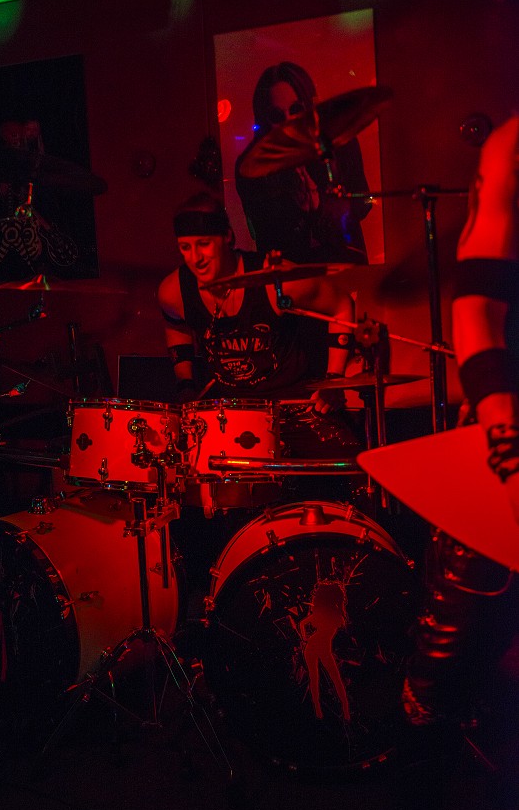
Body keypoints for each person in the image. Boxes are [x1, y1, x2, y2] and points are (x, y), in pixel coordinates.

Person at [401, 115, 519, 729]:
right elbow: (476, 309)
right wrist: (506, 441)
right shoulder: (512, 146)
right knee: (441, 682)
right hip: (509, 432)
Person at [157, 191, 356, 411]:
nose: (195, 258)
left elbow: (341, 306)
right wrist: (185, 383)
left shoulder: (275, 281)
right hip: (229, 412)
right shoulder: (173, 291)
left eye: (204, 244)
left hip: (291, 406)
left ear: (227, 236)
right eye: (185, 247)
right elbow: (175, 325)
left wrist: (334, 380)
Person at [235, 61, 372, 264]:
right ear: (264, 118)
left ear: (310, 105)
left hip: (345, 264)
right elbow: (264, 235)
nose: (289, 121)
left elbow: (364, 204)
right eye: (276, 115)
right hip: (290, 273)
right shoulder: (253, 166)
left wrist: (326, 204)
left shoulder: (339, 143)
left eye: (296, 109)